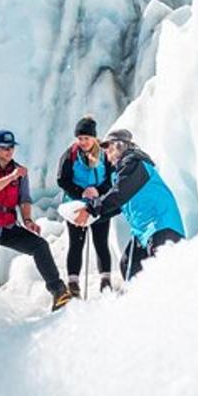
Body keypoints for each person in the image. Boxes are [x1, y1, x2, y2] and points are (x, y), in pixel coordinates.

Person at [0, 129, 72, 311]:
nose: (9, 151)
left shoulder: (19, 172)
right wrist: (11, 177)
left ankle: (59, 291)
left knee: (39, 246)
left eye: (11, 147)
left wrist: (27, 220)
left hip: (8, 225)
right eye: (4, 147)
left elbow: (24, 199)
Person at [73, 129, 185, 282]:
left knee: (163, 278)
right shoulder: (120, 173)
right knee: (128, 266)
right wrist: (92, 218)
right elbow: (117, 205)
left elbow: (119, 194)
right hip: (143, 234)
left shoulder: (135, 163)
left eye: (109, 148)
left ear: (121, 146)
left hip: (162, 228)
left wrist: (91, 209)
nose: (106, 153)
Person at [56, 115, 116, 296]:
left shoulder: (105, 155)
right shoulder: (70, 154)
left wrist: (98, 191)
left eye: (86, 138)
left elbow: (111, 179)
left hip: (99, 204)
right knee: (76, 244)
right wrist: (80, 192)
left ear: (94, 138)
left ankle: (106, 280)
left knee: (101, 243)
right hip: (76, 205)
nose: (82, 142)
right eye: (80, 138)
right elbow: (62, 180)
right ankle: (73, 284)